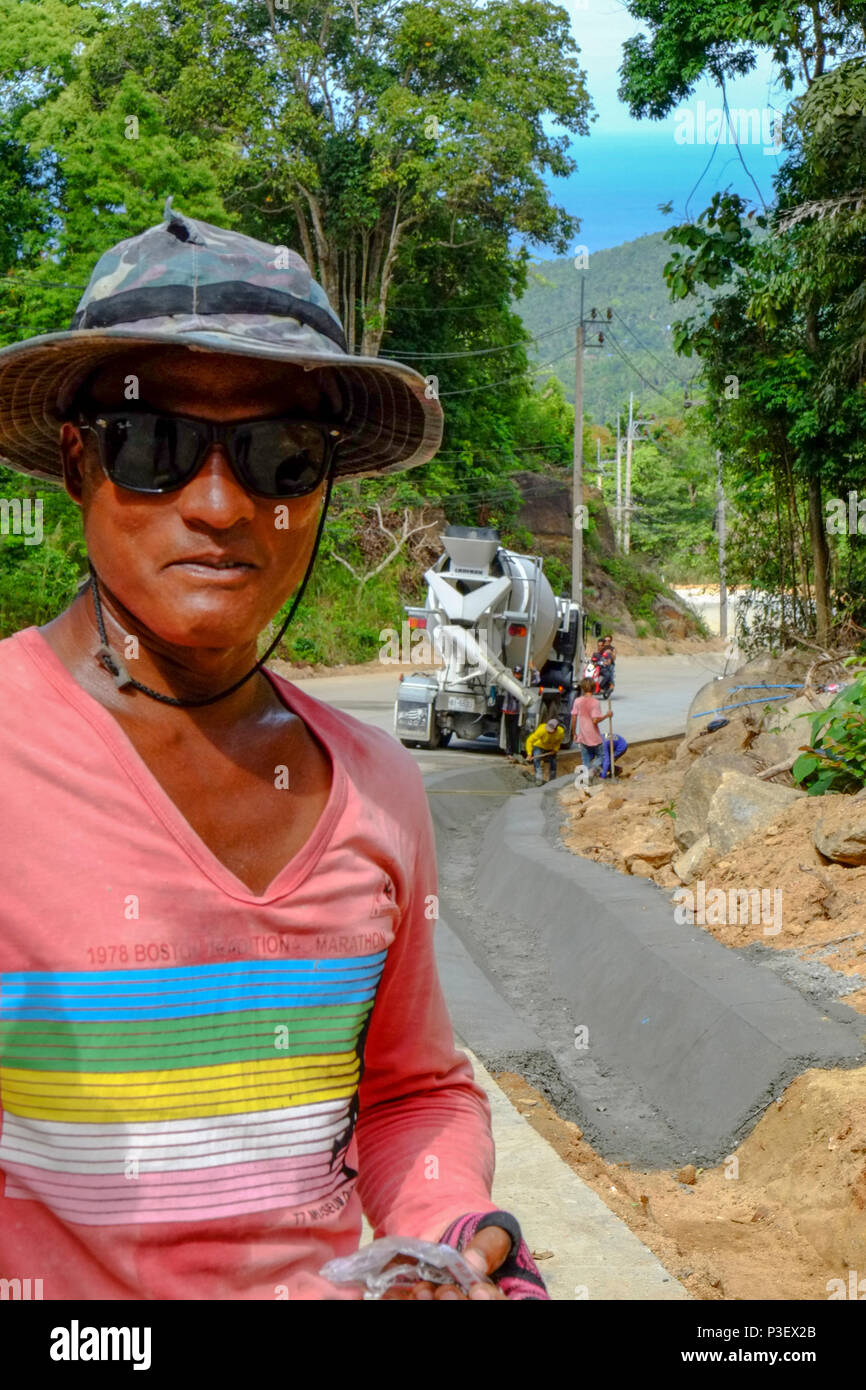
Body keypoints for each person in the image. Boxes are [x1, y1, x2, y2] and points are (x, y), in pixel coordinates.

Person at [0, 206, 548, 1301]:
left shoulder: (370, 787)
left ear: (319, 489)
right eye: (152, 446)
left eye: (275, 455)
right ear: (76, 463)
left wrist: (453, 1235)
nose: (216, 504)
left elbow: (411, 1093)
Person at [570, 676, 613, 780]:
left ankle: (585, 780)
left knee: (585, 761)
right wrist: (607, 715)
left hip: (583, 737)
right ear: (594, 688)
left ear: (582, 688)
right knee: (601, 757)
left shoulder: (577, 701)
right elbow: (595, 721)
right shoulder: (595, 702)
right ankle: (591, 771)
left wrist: (574, 733)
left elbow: (574, 718)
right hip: (594, 737)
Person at [525, 716, 565, 785]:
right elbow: (530, 741)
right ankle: (539, 777)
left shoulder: (560, 732)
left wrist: (555, 749)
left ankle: (552, 780)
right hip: (539, 745)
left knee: (553, 762)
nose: (549, 732)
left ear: (556, 729)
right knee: (536, 759)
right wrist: (529, 753)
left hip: (551, 747)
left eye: (551, 731)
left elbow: (558, 742)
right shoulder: (541, 730)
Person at [501, 666, 523, 757]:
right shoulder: (508, 682)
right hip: (507, 711)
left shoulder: (521, 684)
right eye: (515, 673)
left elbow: (536, 681)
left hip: (516, 712)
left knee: (514, 733)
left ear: (521, 675)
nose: (516, 675)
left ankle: (515, 752)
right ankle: (509, 752)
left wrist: (534, 670)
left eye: (518, 674)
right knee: (508, 733)